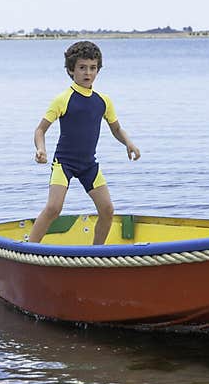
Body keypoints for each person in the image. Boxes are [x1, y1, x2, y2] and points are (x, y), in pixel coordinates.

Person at [27, 40, 140, 245]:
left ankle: (96, 253)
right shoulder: (63, 99)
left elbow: (116, 129)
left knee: (107, 210)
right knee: (54, 208)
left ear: (98, 70)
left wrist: (128, 143)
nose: (88, 73)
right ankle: (28, 249)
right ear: (71, 70)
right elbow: (40, 129)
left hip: (89, 165)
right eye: (82, 68)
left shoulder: (103, 101)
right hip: (64, 163)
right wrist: (41, 149)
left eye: (92, 68)